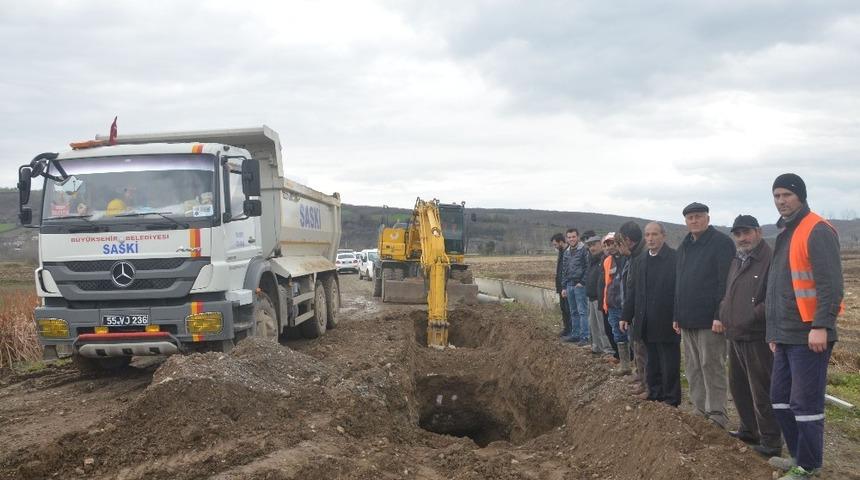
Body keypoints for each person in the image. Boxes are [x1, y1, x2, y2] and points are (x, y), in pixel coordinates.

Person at [765, 174, 843, 479]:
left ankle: (808, 467)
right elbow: (778, 288)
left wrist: (821, 325)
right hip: (784, 334)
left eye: (787, 195)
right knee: (780, 399)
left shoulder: (817, 229)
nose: (781, 201)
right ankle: (798, 455)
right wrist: (773, 332)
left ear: (800, 196)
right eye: (776, 196)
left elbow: (831, 285)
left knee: (805, 402)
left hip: (809, 334)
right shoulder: (785, 231)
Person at [720, 214, 782, 457]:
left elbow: (774, 298)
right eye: (737, 234)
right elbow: (730, 291)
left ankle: (771, 442)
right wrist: (725, 311)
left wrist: (750, 315)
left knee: (762, 390)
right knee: (738, 386)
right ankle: (749, 430)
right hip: (735, 333)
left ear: (757, 232)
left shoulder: (770, 258)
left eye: (746, 232)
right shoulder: (737, 259)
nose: (742, 238)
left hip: (757, 335)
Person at [674, 202, 735, 428]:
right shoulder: (684, 246)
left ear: (707, 219)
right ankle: (699, 410)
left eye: (698, 216)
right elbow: (678, 284)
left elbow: (725, 283)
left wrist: (720, 315)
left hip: (710, 320)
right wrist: (676, 314)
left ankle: (718, 413)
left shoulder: (721, 244)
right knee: (692, 367)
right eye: (690, 217)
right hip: (687, 319)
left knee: (712, 366)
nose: (694, 221)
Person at [621, 222, 680, 406]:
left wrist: (678, 317)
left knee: (669, 363)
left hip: (666, 320)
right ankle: (655, 393)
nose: (651, 238)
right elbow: (634, 291)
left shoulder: (675, 259)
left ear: (664, 236)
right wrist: (626, 315)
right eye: (647, 235)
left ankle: (671, 399)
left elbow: (680, 291)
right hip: (646, 320)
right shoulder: (641, 260)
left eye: (655, 234)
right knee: (652, 361)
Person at [616, 222, 647, 394]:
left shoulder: (640, 256)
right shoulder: (634, 256)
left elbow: (635, 288)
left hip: (640, 311)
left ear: (627, 240)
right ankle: (641, 379)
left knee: (642, 349)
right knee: (637, 348)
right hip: (634, 310)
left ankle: (646, 384)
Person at [584, 232, 615, 356]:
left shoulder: (605, 259)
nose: (592, 248)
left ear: (601, 245)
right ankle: (596, 347)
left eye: (595, 245)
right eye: (590, 245)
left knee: (603, 326)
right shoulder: (591, 260)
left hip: (600, 297)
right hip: (591, 296)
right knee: (593, 325)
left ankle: (608, 349)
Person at [561, 228, 590, 346]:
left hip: (579, 285)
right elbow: (564, 270)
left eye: (573, 237)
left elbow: (588, 267)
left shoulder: (584, 250)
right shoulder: (566, 252)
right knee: (573, 311)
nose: (571, 239)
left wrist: (582, 282)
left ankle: (585, 336)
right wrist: (564, 286)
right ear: (567, 238)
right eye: (569, 237)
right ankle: (575, 334)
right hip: (569, 285)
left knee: (582, 311)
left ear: (577, 237)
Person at [552, 233, 572, 338]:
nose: (555, 247)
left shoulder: (568, 252)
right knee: (563, 309)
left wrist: (565, 285)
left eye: (555, 244)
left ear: (560, 242)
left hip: (567, 286)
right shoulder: (561, 252)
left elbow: (567, 271)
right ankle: (566, 329)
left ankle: (571, 331)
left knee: (569, 309)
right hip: (560, 286)